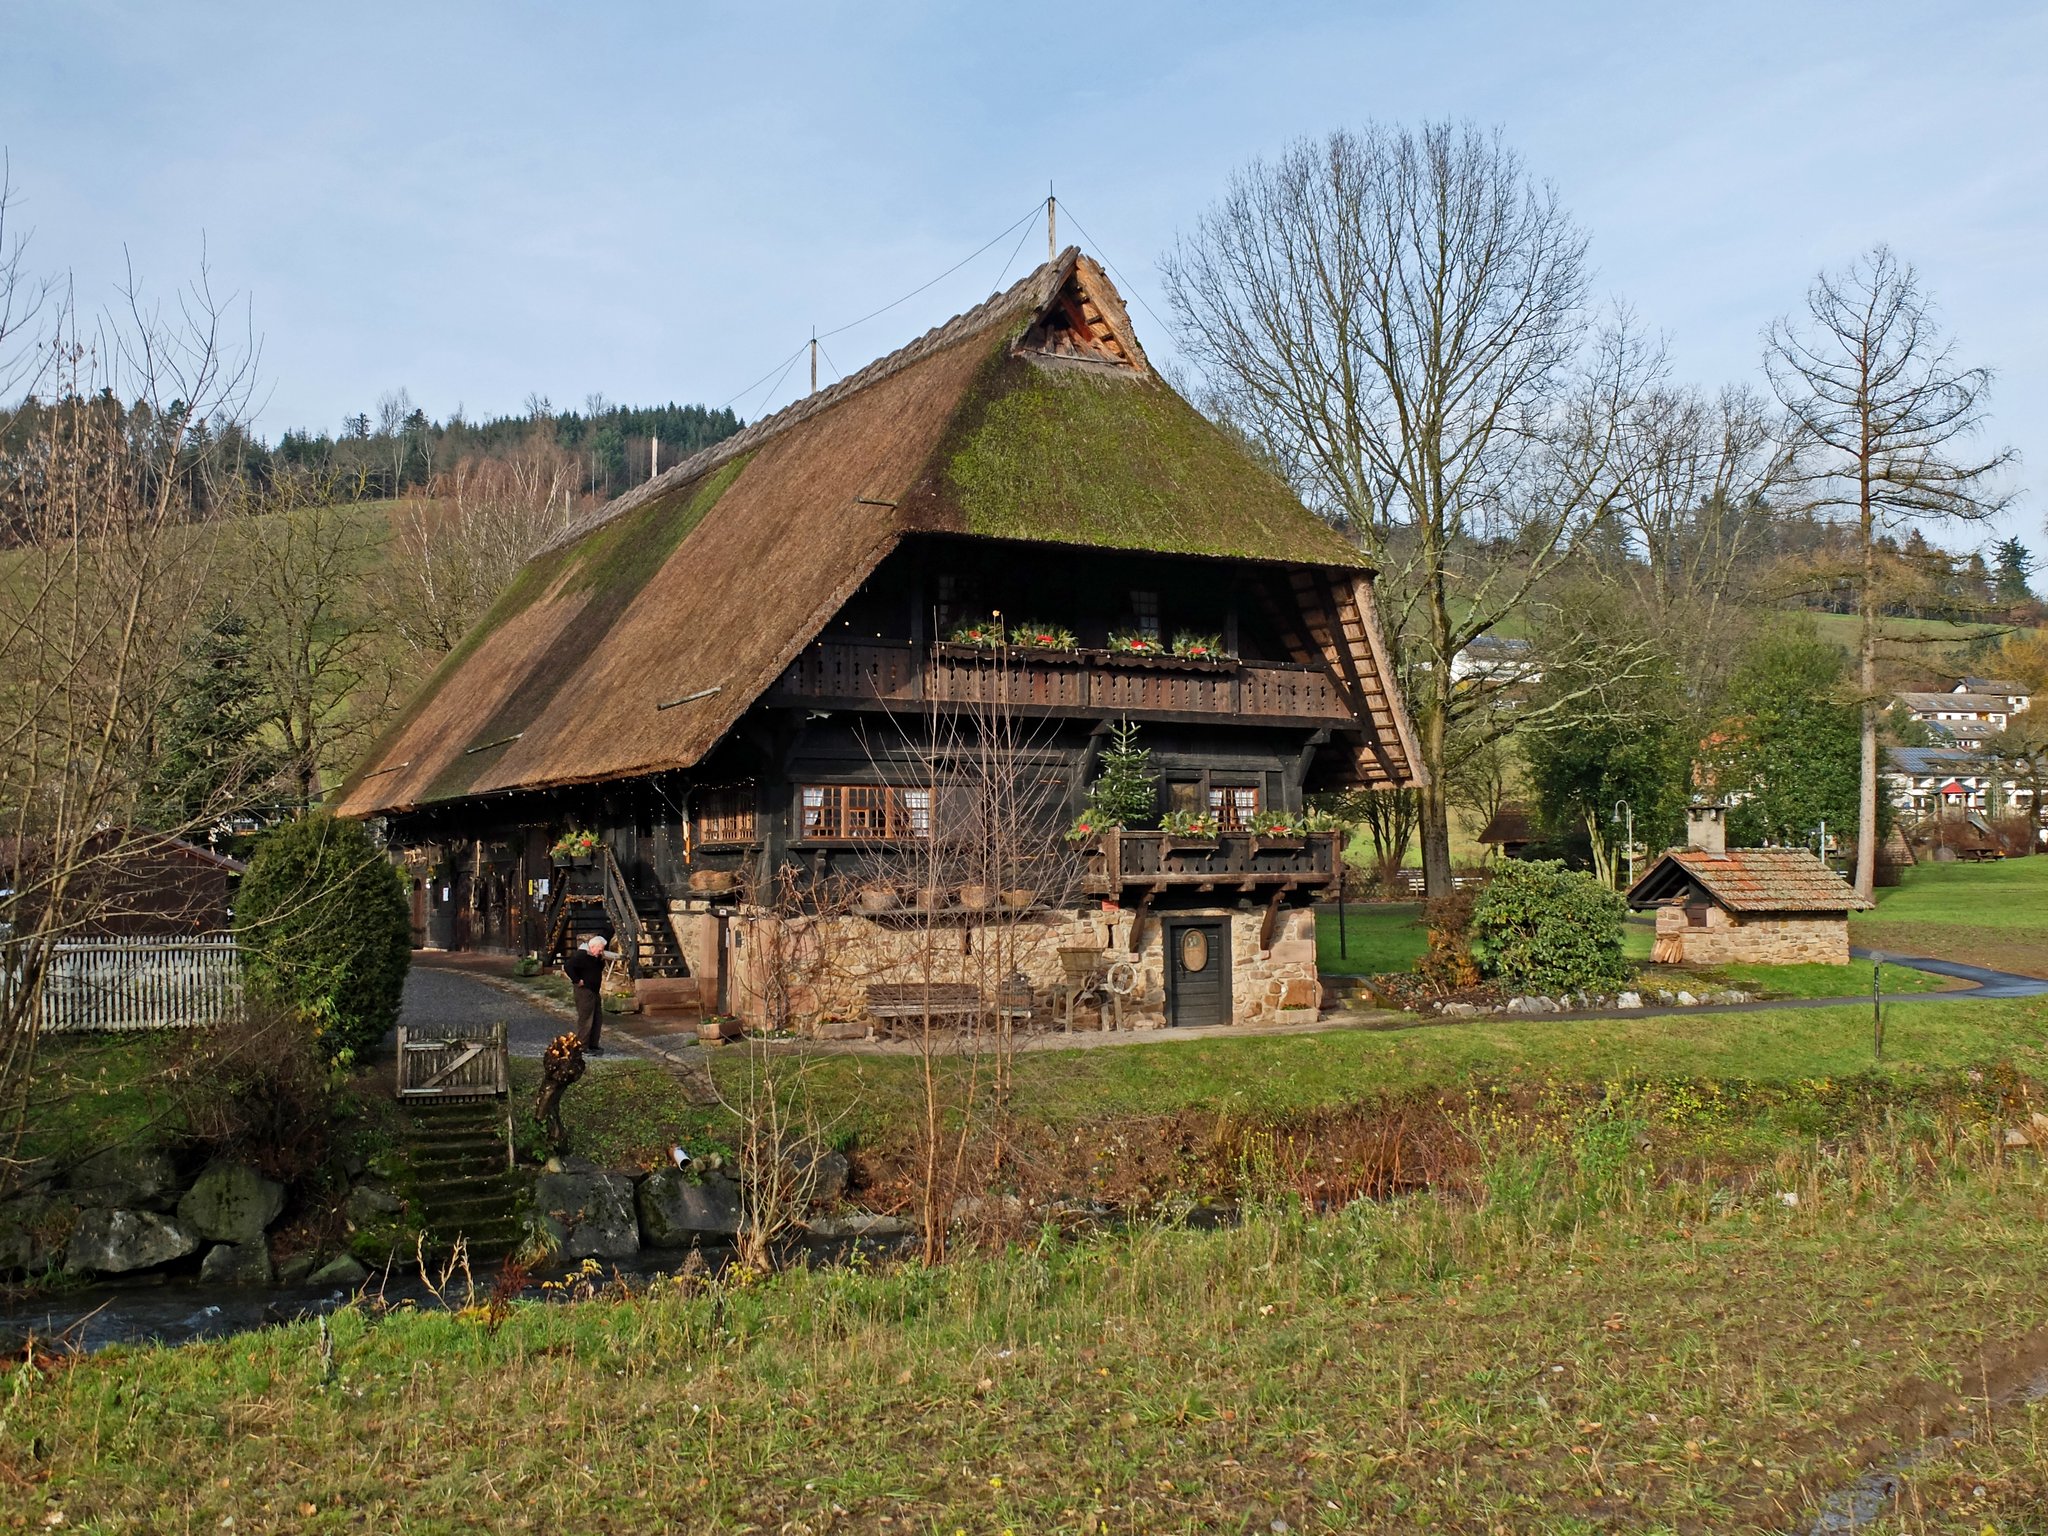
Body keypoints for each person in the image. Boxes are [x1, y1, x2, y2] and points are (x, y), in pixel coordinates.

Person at [563, 934, 608, 1051]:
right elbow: (568, 966)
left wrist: (600, 959)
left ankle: (593, 1044)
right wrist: (577, 980)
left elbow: (597, 968)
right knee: (586, 1019)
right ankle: (582, 1046)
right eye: (600, 950)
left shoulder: (595, 956)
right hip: (584, 991)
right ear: (592, 947)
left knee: (597, 1018)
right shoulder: (582, 955)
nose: (601, 952)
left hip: (594, 990)